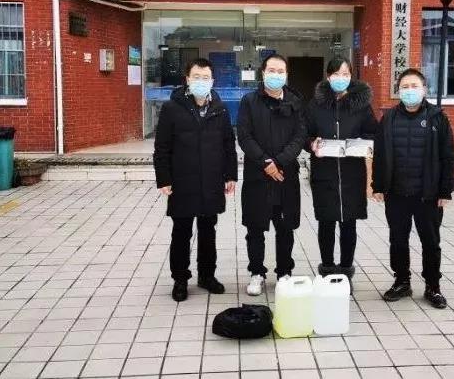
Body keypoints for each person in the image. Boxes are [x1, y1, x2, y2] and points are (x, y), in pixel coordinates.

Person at [154, 58, 238, 302]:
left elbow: (228, 145)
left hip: (211, 181)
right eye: (196, 77)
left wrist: (230, 175)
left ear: (212, 81)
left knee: (208, 230)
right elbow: (162, 147)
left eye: (206, 78)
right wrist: (164, 179)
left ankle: (207, 276)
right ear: (187, 79)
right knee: (181, 231)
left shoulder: (220, 109)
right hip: (182, 181)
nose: (201, 81)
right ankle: (180, 279)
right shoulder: (172, 108)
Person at [372, 68, 454, 309]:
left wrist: (445, 191)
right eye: (405, 87)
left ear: (424, 90)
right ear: (398, 91)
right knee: (398, 240)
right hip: (396, 193)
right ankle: (402, 281)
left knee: (430, 242)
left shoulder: (438, 118)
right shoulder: (389, 118)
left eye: (414, 86)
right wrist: (378, 186)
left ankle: (433, 286)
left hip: (427, 195)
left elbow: (448, 155)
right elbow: (380, 154)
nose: (410, 91)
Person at [237, 54, 307, 296]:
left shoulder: (295, 102)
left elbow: (300, 136)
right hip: (257, 176)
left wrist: (279, 162)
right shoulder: (249, 101)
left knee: (285, 228)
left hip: (286, 176)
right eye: (272, 71)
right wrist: (266, 163)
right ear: (263, 73)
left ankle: (284, 272)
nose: (276, 75)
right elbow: (244, 136)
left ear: (286, 75)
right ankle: (256, 272)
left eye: (280, 71)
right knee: (255, 228)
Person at [305, 58, 378, 282]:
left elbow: (373, 133)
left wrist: (362, 143)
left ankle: (346, 272)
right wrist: (312, 144)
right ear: (328, 77)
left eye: (345, 74)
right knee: (326, 223)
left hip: (352, 175)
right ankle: (327, 270)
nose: (341, 78)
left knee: (349, 224)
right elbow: (304, 133)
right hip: (324, 174)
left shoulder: (361, 105)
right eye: (336, 74)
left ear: (351, 77)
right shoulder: (315, 105)